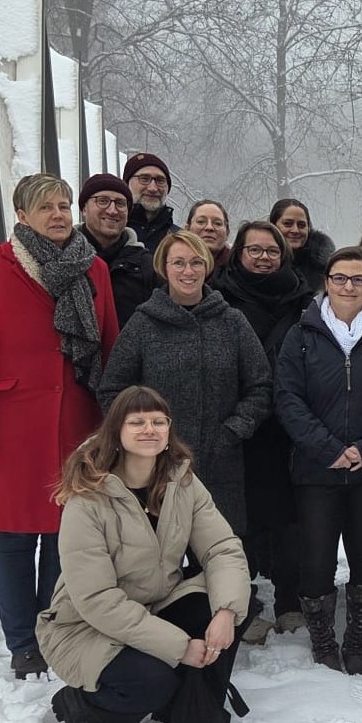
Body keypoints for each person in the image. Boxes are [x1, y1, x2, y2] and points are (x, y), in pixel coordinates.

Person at [0, 173, 121, 679]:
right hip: (10, 424)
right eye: (46, 206)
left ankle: (51, 629)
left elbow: (108, 345)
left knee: (65, 532)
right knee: (11, 535)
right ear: (22, 215)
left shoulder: (93, 268)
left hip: (77, 421)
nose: (58, 214)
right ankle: (23, 642)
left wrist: (112, 424)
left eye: (64, 205)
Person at [37, 385, 250, 723]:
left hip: (155, 605)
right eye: (137, 422)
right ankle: (82, 705)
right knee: (151, 681)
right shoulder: (88, 499)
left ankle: (185, 703)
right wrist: (180, 647)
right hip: (86, 626)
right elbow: (97, 599)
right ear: (116, 432)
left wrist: (226, 612)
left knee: (229, 600)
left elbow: (222, 549)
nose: (149, 429)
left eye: (158, 422)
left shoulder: (182, 482)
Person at [99, 231, 273, 563]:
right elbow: (112, 390)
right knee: (156, 563)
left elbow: (261, 386)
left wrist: (232, 430)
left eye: (196, 262)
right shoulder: (143, 324)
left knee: (219, 560)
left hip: (220, 464)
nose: (188, 271)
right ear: (164, 267)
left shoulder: (232, 322)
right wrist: (143, 436)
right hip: (156, 468)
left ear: (207, 266)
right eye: (178, 262)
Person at [275, 248, 362, 675]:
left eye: (358, 279)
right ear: (326, 282)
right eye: (340, 278)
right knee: (316, 559)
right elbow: (288, 398)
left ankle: (356, 641)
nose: (348, 286)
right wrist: (328, 448)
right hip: (317, 470)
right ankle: (323, 640)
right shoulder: (301, 334)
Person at [209, 222, 315, 638]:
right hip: (238, 421)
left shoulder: (302, 298)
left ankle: (290, 598)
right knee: (240, 519)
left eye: (272, 251)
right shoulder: (219, 295)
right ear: (238, 253)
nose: (263, 258)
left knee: (290, 517)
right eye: (254, 250)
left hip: (289, 423)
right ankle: (245, 603)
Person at [76, 173, 153, 328]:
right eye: (102, 201)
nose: (112, 210)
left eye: (120, 203)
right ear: (84, 209)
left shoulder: (147, 266)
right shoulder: (62, 259)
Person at [270, 198, 335, 287]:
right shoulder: (257, 263)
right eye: (288, 224)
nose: (295, 230)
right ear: (273, 226)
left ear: (308, 229)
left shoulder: (326, 270)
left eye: (301, 225)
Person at [123, 153, 178, 255]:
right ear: (126, 184)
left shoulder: (179, 240)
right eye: (144, 179)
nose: (153, 188)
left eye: (160, 181)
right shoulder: (111, 235)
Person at [186, 199, 232, 268]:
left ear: (227, 233)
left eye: (217, 223)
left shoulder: (240, 268)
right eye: (201, 222)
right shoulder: (170, 263)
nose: (209, 227)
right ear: (187, 229)